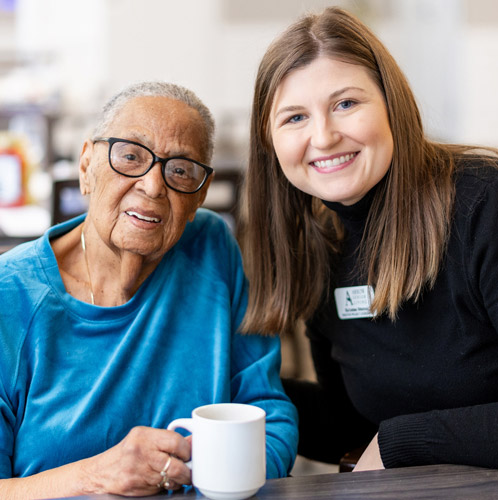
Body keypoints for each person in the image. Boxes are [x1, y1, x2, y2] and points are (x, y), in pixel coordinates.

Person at [0, 81, 298, 498]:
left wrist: (225, 479)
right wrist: (96, 476)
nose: (154, 186)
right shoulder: (9, 296)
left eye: (179, 170)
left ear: (198, 199)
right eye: (130, 156)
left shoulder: (211, 249)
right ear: (86, 167)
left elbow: (267, 415)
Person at [239, 6, 498, 471]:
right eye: (295, 117)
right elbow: (352, 427)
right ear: (269, 141)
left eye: (345, 104)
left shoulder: (484, 204)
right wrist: (224, 388)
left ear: (390, 104)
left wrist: (403, 442)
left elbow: (385, 443)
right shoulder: (322, 244)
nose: (323, 136)